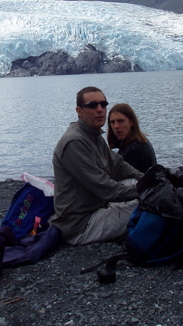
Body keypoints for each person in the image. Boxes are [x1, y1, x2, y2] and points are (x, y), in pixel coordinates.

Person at [50, 87, 144, 245]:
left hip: (97, 206)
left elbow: (118, 165)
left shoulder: (94, 135)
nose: (100, 110)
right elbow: (105, 188)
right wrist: (147, 190)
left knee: (136, 184)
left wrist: (146, 179)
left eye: (103, 104)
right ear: (79, 111)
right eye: (93, 105)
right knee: (149, 206)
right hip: (81, 224)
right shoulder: (75, 142)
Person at [107, 103, 157, 173]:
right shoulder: (140, 141)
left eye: (120, 121)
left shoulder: (134, 150)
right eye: (112, 122)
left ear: (132, 122)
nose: (116, 126)